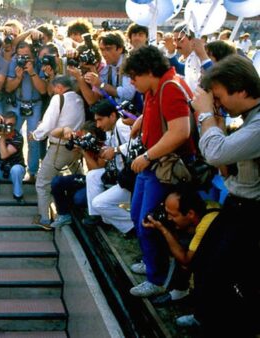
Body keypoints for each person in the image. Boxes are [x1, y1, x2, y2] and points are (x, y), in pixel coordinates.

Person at [190, 54, 260, 337]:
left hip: (251, 213)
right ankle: (210, 319)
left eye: (219, 96)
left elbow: (215, 152)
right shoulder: (248, 119)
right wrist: (214, 120)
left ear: (241, 90)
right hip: (237, 206)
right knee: (206, 265)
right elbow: (217, 155)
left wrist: (206, 114)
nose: (217, 102)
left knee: (228, 278)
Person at [123, 45, 196, 298]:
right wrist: (143, 119)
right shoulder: (155, 88)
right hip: (152, 164)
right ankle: (151, 260)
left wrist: (147, 155)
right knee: (137, 216)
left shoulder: (170, 88)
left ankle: (158, 278)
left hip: (162, 166)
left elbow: (180, 131)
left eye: (134, 76)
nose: (132, 82)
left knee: (149, 222)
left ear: (149, 71)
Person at [142, 186, 220, 328]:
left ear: (190, 213)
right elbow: (188, 228)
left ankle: (202, 316)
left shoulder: (208, 224)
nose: (169, 218)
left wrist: (164, 229)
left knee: (181, 249)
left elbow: (186, 261)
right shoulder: (203, 208)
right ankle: (181, 291)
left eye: (172, 214)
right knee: (177, 240)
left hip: (226, 270)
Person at [30, 76, 85, 229]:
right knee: (78, 179)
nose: (53, 91)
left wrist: (35, 135)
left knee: (42, 182)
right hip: (76, 148)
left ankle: (45, 219)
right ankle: (76, 211)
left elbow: (48, 124)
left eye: (54, 88)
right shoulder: (79, 99)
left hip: (59, 146)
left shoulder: (58, 99)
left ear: (59, 87)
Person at [84, 99, 133, 234]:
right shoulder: (109, 129)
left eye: (100, 120)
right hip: (120, 173)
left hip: (132, 180)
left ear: (112, 116)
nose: (98, 125)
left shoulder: (122, 125)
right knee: (93, 176)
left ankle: (133, 225)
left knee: (99, 203)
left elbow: (136, 145)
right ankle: (97, 217)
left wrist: (116, 150)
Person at [5, 41, 47, 179]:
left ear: (33, 56)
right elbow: (8, 88)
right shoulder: (14, 62)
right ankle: (14, 167)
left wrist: (32, 72)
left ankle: (33, 172)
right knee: (11, 135)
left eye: (26, 56)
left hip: (35, 104)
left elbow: (42, 90)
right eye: (20, 56)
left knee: (33, 139)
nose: (23, 59)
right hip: (18, 103)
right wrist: (18, 77)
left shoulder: (39, 63)